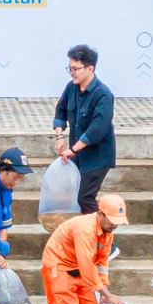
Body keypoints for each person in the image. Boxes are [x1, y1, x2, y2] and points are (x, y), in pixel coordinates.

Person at [42, 194, 126, 304]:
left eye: (117, 222)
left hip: (81, 272)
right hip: (60, 267)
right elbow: (87, 266)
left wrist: (103, 288)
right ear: (100, 214)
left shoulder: (107, 232)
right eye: (112, 220)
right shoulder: (85, 229)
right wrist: (107, 294)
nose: (114, 225)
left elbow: (102, 262)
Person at [49, 44, 117, 208]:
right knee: (73, 197)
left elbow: (96, 130)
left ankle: (101, 232)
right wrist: (59, 136)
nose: (72, 72)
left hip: (97, 156)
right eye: (70, 68)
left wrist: (72, 150)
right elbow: (61, 111)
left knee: (84, 198)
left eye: (75, 69)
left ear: (90, 68)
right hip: (77, 154)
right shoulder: (71, 87)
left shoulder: (103, 95)